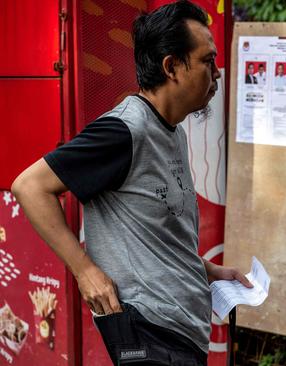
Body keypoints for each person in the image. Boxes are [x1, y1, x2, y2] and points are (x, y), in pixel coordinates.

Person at [11, 1, 252, 365]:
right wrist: (85, 271)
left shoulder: (171, 132)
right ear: (171, 66)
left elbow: (156, 231)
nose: (216, 73)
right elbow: (29, 186)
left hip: (181, 333)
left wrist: (209, 270)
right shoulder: (125, 130)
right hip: (149, 333)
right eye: (207, 61)